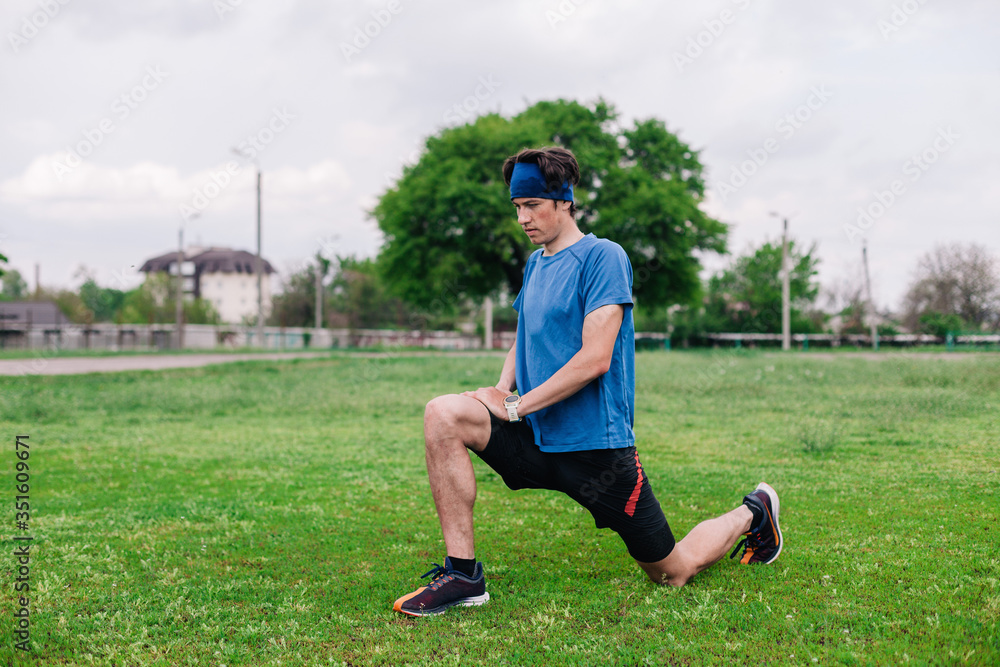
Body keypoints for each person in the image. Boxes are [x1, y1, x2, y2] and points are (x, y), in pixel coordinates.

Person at [392, 146, 782, 617]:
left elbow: (595, 358)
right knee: (444, 412)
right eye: (517, 207)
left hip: (598, 453)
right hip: (535, 439)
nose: (522, 218)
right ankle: (463, 575)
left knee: (672, 572)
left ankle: (753, 512)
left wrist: (516, 406)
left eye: (532, 205)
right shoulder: (536, 264)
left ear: (564, 201)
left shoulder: (604, 258)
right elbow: (526, 334)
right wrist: (501, 388)